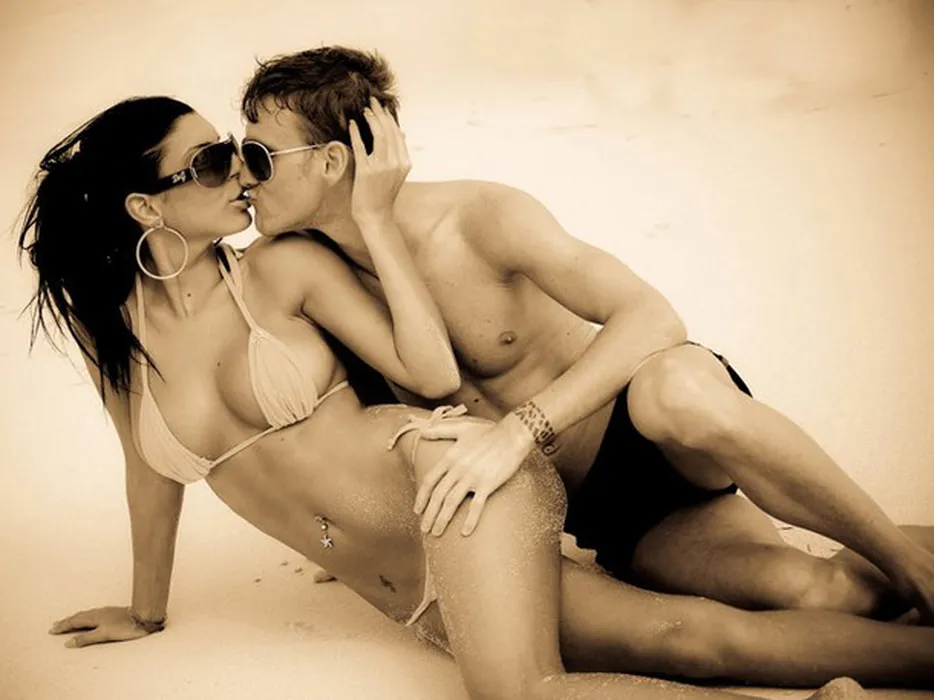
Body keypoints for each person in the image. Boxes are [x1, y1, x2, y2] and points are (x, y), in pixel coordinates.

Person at [19, 96, 934, 700]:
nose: (241, 173)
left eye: (240, 152)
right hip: (408, 585)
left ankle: (899, 571)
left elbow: (427, 375)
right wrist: (145, 609)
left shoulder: (278, 270)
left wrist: (375, 217)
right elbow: (149, 471)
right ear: (146, 208)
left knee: (519, 692)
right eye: (214, 161)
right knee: (696, 642)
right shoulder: (115, 342)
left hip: (454, 487)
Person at [238, 45, 934, 624]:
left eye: (259, 155)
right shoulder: (308, 279)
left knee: (679, 394)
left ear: (332, 161)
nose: (243, 174)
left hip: (651, 424)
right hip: (607, 511)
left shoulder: (478, 219)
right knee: (820, 595)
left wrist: (521, 430)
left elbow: (653, 317)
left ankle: (909, 560)